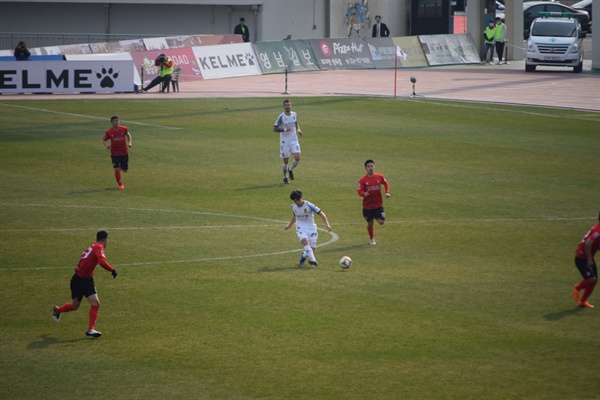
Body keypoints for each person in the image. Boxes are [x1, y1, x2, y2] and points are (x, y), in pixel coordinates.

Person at [52, 230, 118, 338]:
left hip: (87, 280)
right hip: (78, 280)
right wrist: (112, 269)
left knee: (96, 303)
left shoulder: (93, 246)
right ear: (105, 240)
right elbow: (101, 262)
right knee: (74, 306)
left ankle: (90, 329)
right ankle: (58, 310)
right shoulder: (99, 247)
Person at [284, 190, 331, 267]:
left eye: (298, 200)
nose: (297, 202)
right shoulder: (293, 207)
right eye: (295, 201)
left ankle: (304, 255)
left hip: (311, 227)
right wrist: (289, 226)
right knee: (305, 241)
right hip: (300, 227)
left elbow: (321, 213)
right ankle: (313, 260)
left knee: (312, 249)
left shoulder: (309, 205)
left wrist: (327, 224)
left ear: (300, 198)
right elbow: (295, 216)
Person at [357, 159, 390, 245]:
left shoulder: (379, 177)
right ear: (365, 168)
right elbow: (359, 191)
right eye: (369, 166)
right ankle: (371, 239)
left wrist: (387, 192)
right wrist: (364, 194)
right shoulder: (363, 180)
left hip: (378, 205)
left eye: (372, 166)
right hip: (368, 206)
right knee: (370, 223)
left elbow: (385, 183)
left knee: (381, 222)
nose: (371, 168)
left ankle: (376, 215)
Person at [572, 213, 600, 309]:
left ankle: (582, 301)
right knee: (592, 279)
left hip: (588, 258)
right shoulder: (598, 231)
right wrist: (589, 259)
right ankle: (577, 287)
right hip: (582, 258)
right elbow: (588, 244)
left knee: (593, 281)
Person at [273, 99, 303, 184]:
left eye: (288, 105)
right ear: (283, 107)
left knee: (297, 157)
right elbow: (274, 129)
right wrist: (285, 129)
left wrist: (298, 129)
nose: (287, 106)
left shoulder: (294, 114)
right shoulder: (281, 117)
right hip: (285, 142)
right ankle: (284, 176)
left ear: (291, 106)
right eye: (285, 105)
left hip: (294, 140)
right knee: (285, 161)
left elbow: (295, 122)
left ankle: (290, 169)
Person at [103, 116, 132, 190]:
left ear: (119, 122)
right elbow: (104, 140)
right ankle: (120, 184)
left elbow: (129, 135)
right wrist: (106, 145)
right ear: (112, 123)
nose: (116, 122)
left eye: (117, 121)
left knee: (125, 170)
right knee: (116, 169)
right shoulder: (108, 132)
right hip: (114, 153)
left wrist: (129, 143)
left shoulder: (124, 129)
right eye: (114, 121)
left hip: (124, 152)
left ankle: (120, 168)